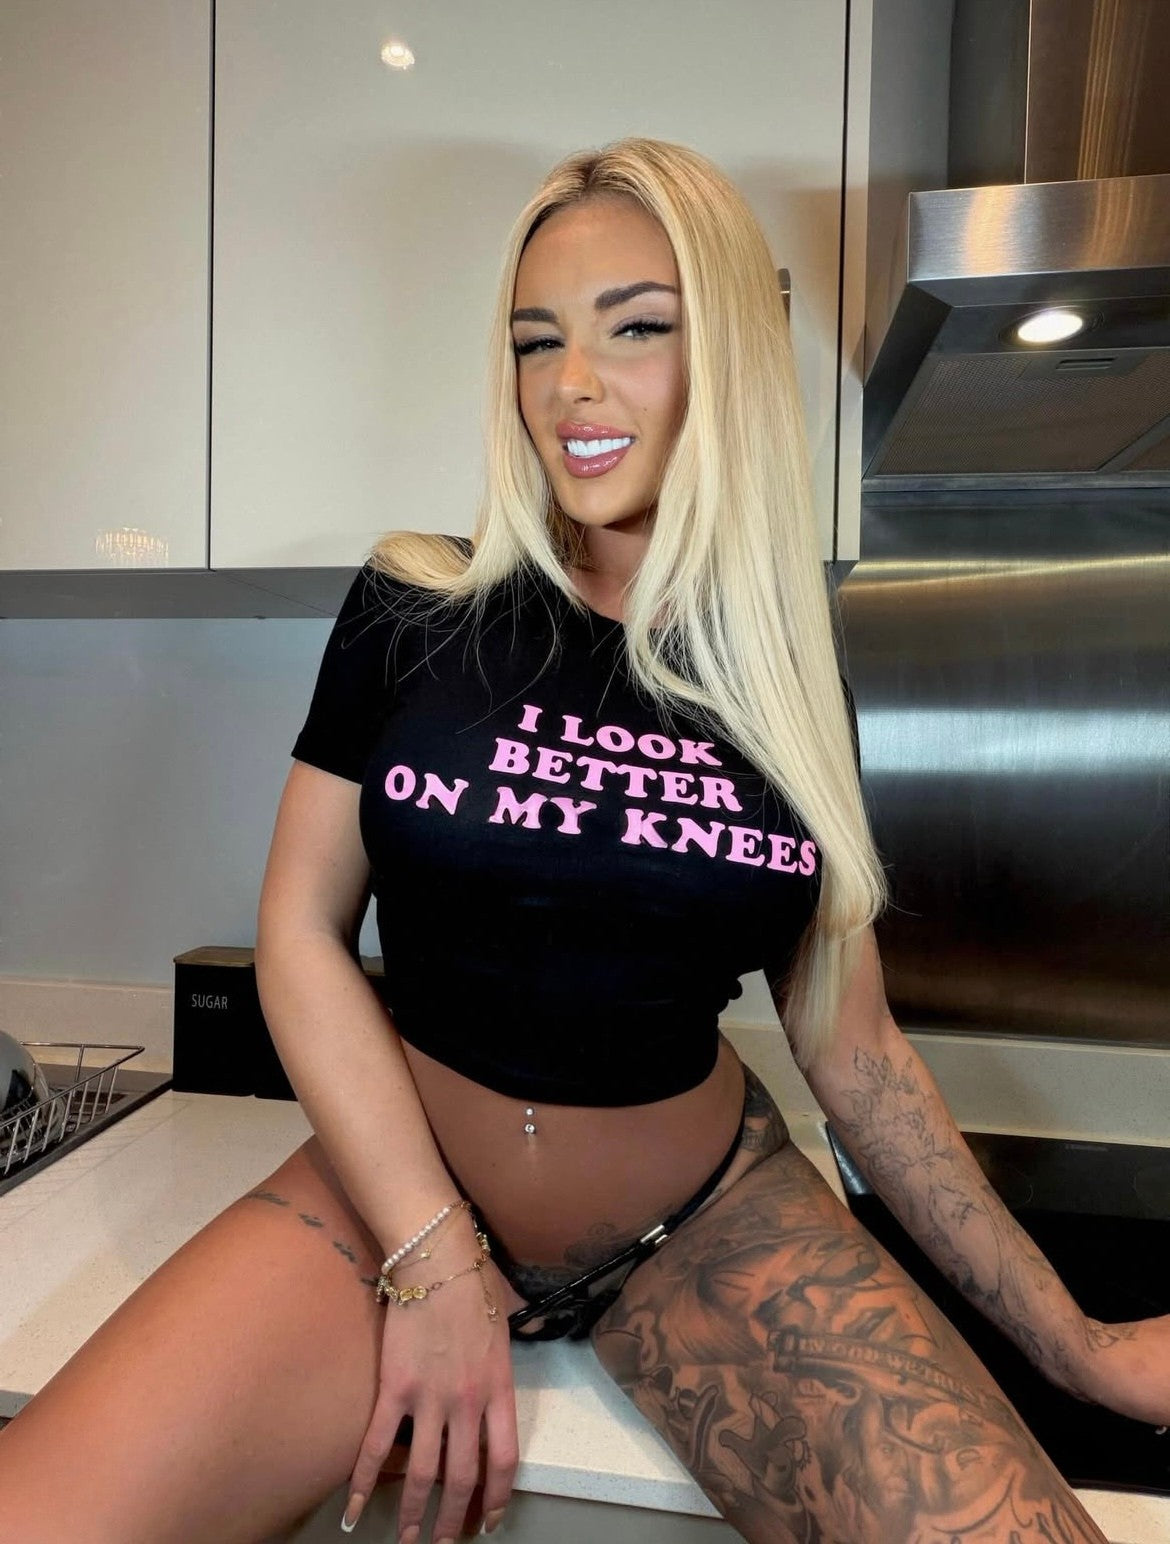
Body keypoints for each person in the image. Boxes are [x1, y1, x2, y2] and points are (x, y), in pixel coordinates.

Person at [0, 137, 1166, 1544]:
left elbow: (852, 1050)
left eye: (638, 330)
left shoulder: (785, 676)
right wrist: (432, 1255)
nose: (572, 385)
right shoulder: (417, 604)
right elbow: (299, 934)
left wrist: (1079, 1347)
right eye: (536, 340)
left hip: (707, 1227)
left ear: (724, 355)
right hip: (392, 1205)